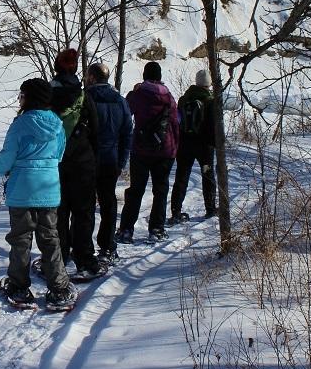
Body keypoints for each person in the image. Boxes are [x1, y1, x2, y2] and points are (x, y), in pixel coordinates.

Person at [0, 78, 77, 311]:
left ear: (28, 98)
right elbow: (59, 155)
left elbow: (6, 158)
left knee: (21, 239)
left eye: (21, 95)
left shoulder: (19, 125)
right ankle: (59, 288)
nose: (19, 99)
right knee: (50, 238)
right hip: (48, 189)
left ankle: (19, 287)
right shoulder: (57, 124)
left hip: (21, 190)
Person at [48, 49, 106, 279]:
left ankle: (58, 259)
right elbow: (96, 133)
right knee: (83, 213)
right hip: (83, 163)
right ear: (74, 69)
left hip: (55, 163)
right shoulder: (84, 96)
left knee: (59, 213)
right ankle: (85, 260)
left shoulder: (47, 96)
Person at [115, 62, 179, 244]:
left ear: (144, 75)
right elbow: (175, 124)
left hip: (141, 149)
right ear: (159, 76)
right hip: (164, 150)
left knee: (136, 190)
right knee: (161, 190)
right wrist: (174, 149)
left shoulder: (139, 94)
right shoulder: (169, 96)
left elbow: (126, 111)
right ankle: (156, 230)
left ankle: (126, 230)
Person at [83, 62, 133, 263]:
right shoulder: (120, 101)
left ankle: (83, 248)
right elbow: (127, 133)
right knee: (108, 203)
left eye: (87, 76)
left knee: (84, 206)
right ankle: (108, 246)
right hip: (111, 159)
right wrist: (121, 160)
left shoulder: (85, 99)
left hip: (87, 160)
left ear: (93, 78)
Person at [169, 69, 218, 225]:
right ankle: (210, 208)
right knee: (208, 176)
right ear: (209, 84)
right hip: (204, 145)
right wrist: (215, 144)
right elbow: (212, 125)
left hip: (185, 144)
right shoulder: (210, 100)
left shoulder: (184, 99)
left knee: (181, 177)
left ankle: (176, 211)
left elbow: (177, 120)